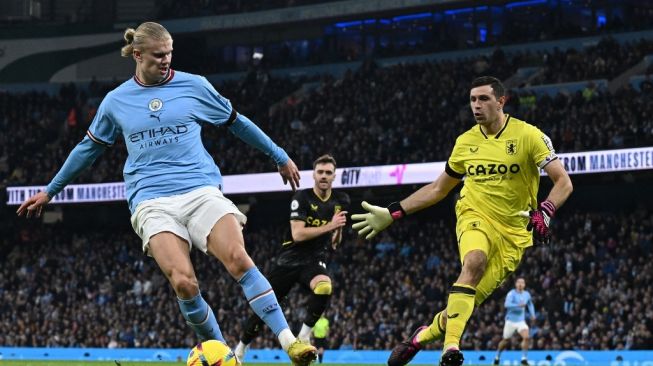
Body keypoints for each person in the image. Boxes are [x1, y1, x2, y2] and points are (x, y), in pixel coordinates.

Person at [16, 21, 317, 366]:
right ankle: (221, 355)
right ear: (138, 54)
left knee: (238, 258)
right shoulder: (115, 102)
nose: (166, 61)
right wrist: (50, 191)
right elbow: (88, 149)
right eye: (159, 55)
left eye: (170, 54)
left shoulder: (194, 86)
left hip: (200, 189)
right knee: (184, 283)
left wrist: (279, 155)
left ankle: (290, 341)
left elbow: (238, 122)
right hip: (151, 200)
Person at [351, 76, 573, 366]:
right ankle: (450, 350)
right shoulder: (465, 142)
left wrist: (545, 211)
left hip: (514, 234)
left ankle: (421, 336)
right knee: (474, 261)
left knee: (465, 304)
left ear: (501, 101)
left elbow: (564, 182)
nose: (476, 106)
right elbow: (438, 189)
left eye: (483, 99)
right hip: (474, 214)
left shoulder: (529, 136)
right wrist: (395, 212)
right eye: (472, 100)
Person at [234, 154, 349, 360]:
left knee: (324, 286)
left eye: (328, 173)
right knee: (265, 307)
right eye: (320, 172)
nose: (324, 176)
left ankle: (304, 337)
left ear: (334, 177)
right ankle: (241, 348)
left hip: (314, 260)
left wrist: (337, 231)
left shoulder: (341, 201)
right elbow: (298, 234)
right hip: (289, 260)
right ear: (313, 175)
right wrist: (331, 225)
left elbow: (334, 241)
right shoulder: (302, 198)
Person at [494, 277, 536, 366]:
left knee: (527, 337)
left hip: (521, 321)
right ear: (516, 284)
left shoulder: (527, 294)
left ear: (524, 285)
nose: (520, 284)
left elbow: (530, 304)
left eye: (522, 283)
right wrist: (518, 305)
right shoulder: (511, 294)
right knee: (505, 341)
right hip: (510, 321)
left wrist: (533, 314)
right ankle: (497, 356)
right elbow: (507, 305)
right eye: (519, 282)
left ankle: (524, 358)